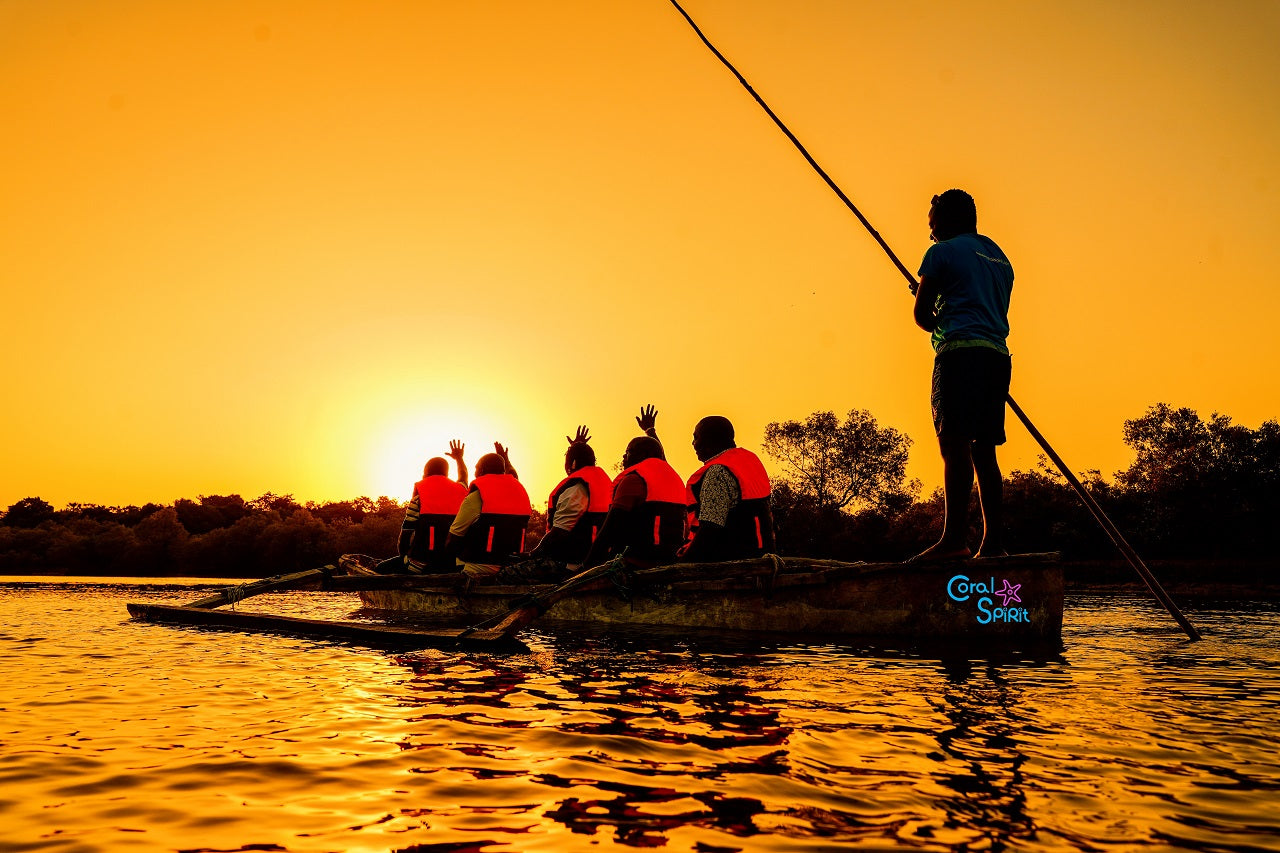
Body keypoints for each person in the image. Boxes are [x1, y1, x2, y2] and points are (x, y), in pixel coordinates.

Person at [909, 188, 1014, 560]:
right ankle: (993, 545)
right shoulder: (1000, 258)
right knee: (984, 450)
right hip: (996, 358)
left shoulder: (940, 253)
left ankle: (953, 541)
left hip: (958, 355)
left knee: (953, 445)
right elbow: (971, 297)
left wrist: (927, 297)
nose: (931, 235)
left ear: (948, 223)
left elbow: (923, 318)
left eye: (933, 226)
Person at [501, 426, 615, 583]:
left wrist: (532, 554)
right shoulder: (602, 482)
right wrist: (578, 446)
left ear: (573, 463)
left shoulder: (576, 488)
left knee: (505, 574)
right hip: (597, 560)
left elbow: (559, 533)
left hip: (571, 565)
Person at [680, 415, 776, 562]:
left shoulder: (717, 472)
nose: (693, 443)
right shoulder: (750, 462)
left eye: (696, 437)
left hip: (730, 564)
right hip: (761, 555)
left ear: (710, 439)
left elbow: (710, 528)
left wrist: (683, 564)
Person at [375, 441, 468, 574]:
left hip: (422, 565)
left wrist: (404, 558)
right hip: (453, 565)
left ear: (426, 474)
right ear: (446, 474)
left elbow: (405, 536)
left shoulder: (419, 497)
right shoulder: (461, 491)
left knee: (379, 568)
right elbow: (463, 475)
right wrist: (459, 458)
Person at [445, 443, 533, 578]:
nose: (474, 473)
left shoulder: (477, 495)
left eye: (476, 468)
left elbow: (453, 538)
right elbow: (513, 474)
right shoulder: (517, 489)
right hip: (513, 565)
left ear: (482, 470)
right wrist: (506, 460)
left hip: (479, 565)